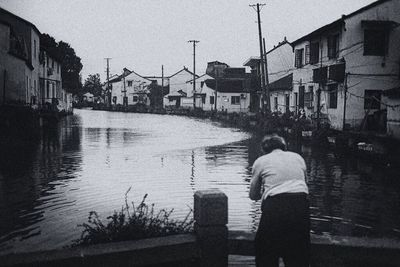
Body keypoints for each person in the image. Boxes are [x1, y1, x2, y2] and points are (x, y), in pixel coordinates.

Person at [249, 134, 310, 267]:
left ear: (264, 150)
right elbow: (305, 184)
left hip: (276, 206)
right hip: (301, 204)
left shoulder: (261, 161)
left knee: (266, 251)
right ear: (284, 147)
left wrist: (264, 190)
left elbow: (253, 195)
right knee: (298, 254)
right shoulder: (298, 158)